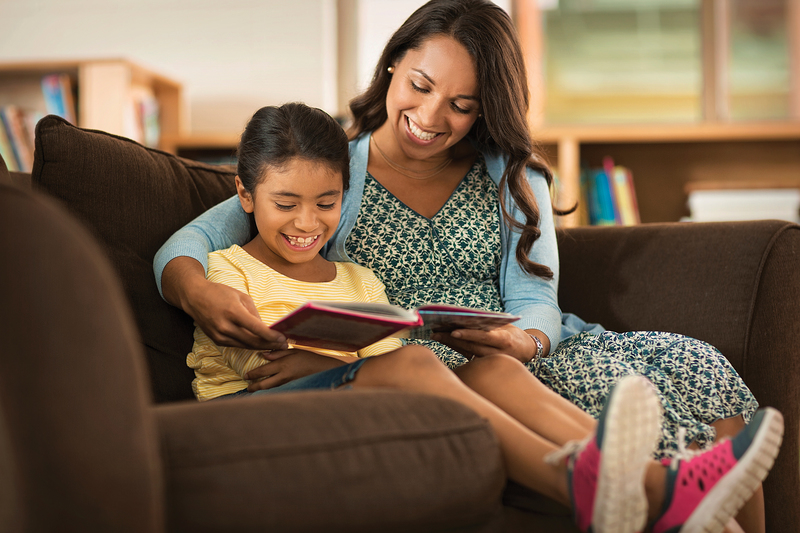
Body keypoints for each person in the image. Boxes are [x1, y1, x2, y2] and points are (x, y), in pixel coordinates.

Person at [154, 1, 770, 531]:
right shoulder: (325, 173)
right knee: (620, 405)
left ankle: (677, 494)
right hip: (406, 361)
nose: (430, 117)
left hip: (516, 351)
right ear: (393, 64)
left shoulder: (511, 175)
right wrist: (195, 292)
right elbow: (194, 243)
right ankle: (655, 493)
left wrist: (520, 340)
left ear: (485, 108)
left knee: (696, 366)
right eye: (420, 85)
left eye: (461, 104)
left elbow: (537, 303)